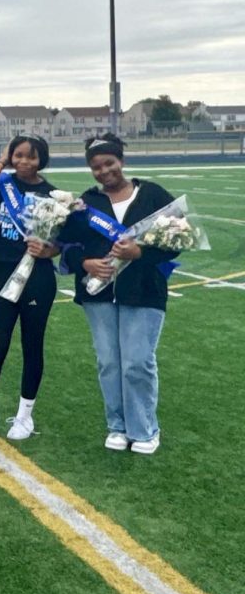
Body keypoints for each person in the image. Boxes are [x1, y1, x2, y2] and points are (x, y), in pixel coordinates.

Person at [58, 133, 179, 455]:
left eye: (109, 163)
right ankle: (118, 426)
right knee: (110, 363)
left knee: (137, 363)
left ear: (121, 161)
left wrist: (140, 253)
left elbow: (179, 239)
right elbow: (65, 246)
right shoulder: (86, 203)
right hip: (98, 296)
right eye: (96, 167)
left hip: (145, 292)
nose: (104, 171)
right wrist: (85, 263)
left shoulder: (152, 194)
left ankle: (144, 429)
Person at [0, 135, 59, 440]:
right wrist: (0, 162)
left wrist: (50, 251)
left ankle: (24, 417)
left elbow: (64, 240)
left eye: (31, 157)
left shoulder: (54, 194)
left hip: (39, 280)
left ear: (41, 159)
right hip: (2, 276)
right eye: (18, 155)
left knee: (33, 347)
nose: (24, 162)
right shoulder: (3, 185)